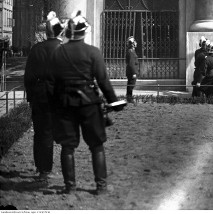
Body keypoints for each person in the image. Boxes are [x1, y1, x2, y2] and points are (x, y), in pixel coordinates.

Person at [46, 11, 125, 194]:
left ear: (70, 32)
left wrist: (55, 104)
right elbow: (104, 81)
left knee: (67, 147)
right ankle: (101, 186)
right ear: (84, 32)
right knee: (96, 145)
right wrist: (114, 102)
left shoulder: (58, 53)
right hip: (89, 103)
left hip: (65, 104)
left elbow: (51, 82)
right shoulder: (93, 52)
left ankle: (70, 187)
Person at [23, 11, 63, 183]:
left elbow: (28, 77)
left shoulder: (36, 49)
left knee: (40, 133)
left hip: (40, 96)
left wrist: (32, 97)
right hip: (58, 96)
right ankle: (56, 173)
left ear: (47, 32)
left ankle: (42, 169)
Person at [125, 36, 139, 103]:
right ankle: (129, 98)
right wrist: (134, 73)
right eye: (135, 42)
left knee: (130, 85)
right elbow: (131, 63)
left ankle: (129, 98)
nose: (136, 43)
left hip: (131, 72)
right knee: (131, 85)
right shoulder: (131, 51)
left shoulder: (131, 51)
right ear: (132, 43)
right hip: (131, 72)